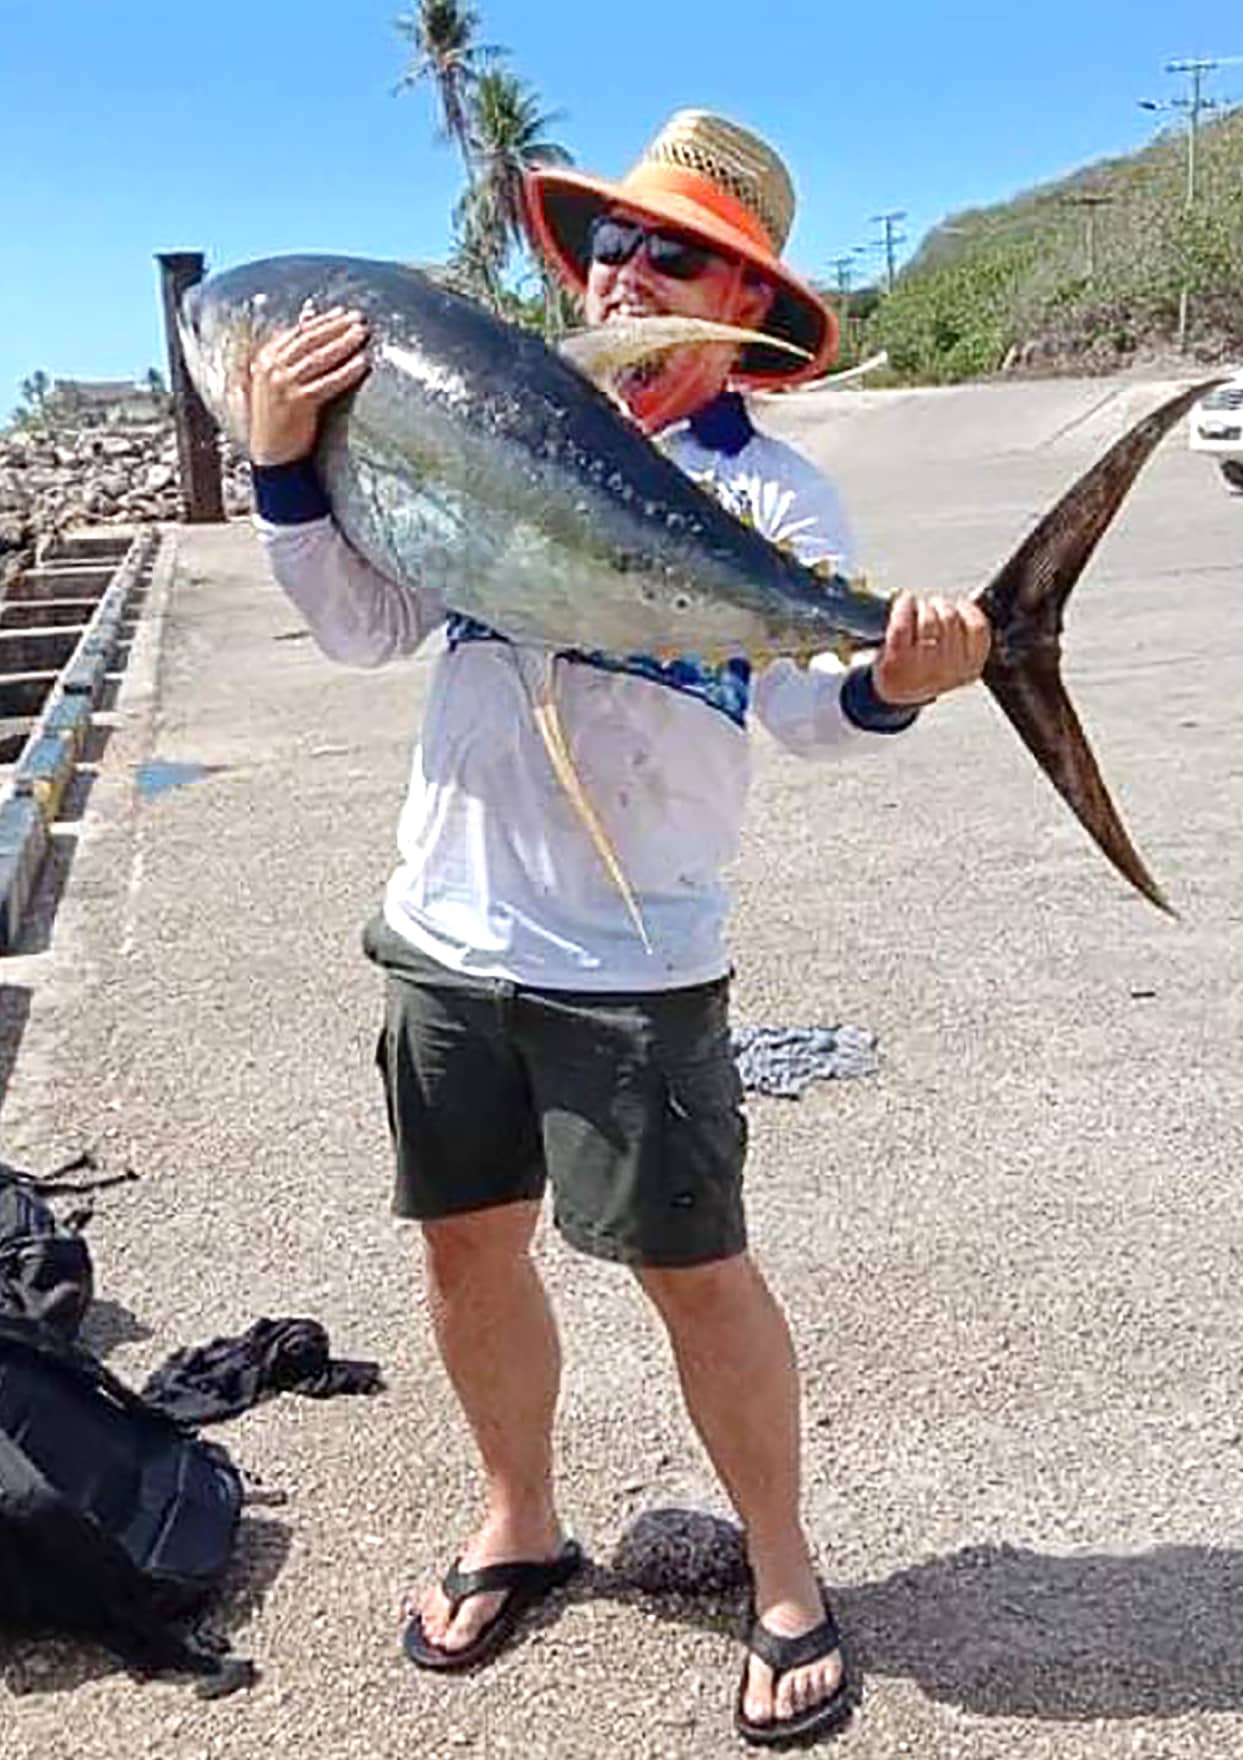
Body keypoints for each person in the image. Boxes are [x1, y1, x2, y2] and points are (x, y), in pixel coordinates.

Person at [245, 109, 989, 1748]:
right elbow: (366, 627)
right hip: (443, 928)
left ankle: (784, 1572)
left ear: (738, 305)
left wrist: (889, 681)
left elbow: (802, 715)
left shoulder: (773, 499)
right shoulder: (489, 422)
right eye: (613, 243)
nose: (626, 271)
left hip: (636, 962)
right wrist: (289, 464)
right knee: (465, 1245)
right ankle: (520, 1515)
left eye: (675, 255)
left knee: (695, 1272)